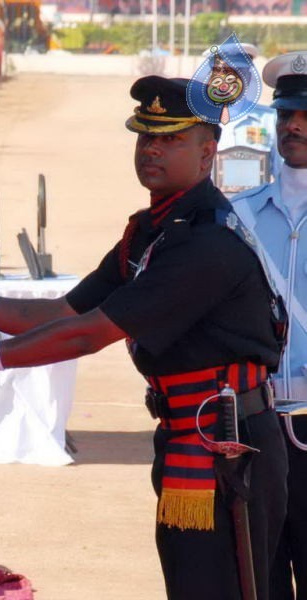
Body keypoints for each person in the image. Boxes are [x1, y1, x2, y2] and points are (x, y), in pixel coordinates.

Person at [0, 75, 290, 599]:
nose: (152, 149)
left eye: (171, 139)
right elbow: (61, 311)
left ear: (207, 152)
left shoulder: (206, 240)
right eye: (145, 136)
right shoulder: (153, 229)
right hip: (189, 433)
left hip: (229, 444)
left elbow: (85, 336)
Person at [231, 51, 307, 600]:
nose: (295, 126)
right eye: (286, 115)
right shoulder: (239, 214)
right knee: (261, 578)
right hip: (256, 424)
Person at [215, 43, 282, 191]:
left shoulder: (270, 120)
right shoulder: (200, 120)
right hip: (209, 211)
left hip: (257, 211)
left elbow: (282, 177)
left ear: (249, 76)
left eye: (240, 73)